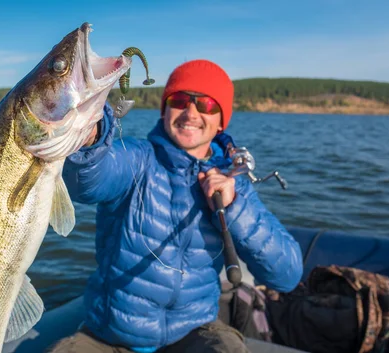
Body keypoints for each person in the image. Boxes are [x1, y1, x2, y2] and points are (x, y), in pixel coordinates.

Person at [51, 59, 303, 353]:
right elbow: (86, 182)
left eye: (206, 104)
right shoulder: (138, 158)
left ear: (221, 121)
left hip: (193, 332)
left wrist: (236, 207)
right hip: (109, 335)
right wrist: (91, 139)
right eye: (180, 100)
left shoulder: (234, 184)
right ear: (166, 109)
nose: (191, 113)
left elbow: (287, 276)